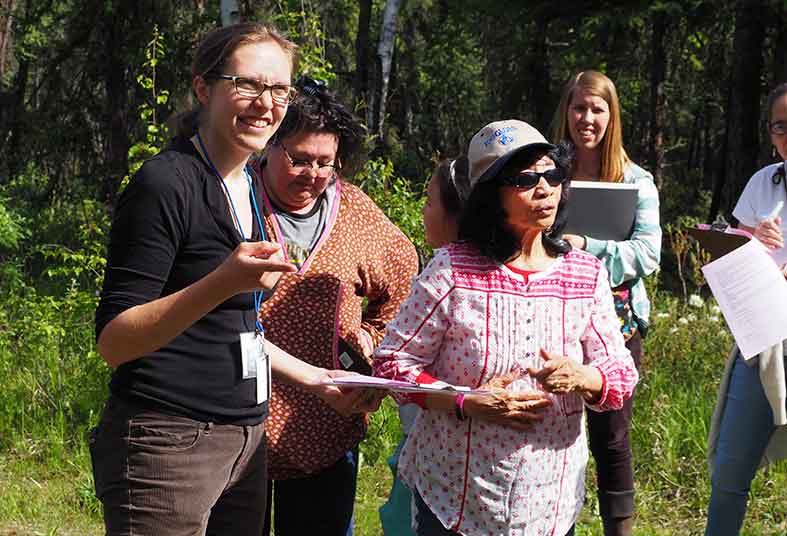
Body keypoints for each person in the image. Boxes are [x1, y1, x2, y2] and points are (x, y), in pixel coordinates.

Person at [90, 23, 378, 536]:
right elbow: (115, 342)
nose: (265, 103)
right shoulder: (165, 184)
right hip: (169, 439)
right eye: (247, 84)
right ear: (203, 88)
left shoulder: (245, 180)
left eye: (279, 89)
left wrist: (316, 379)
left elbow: (232, 329)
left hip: (244, 439)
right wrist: (224, 282)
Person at [373, 119, 639, 536]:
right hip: (454, 500)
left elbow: (620, 375)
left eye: (553, 174)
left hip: (549, 503)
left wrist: (583, 377)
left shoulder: (585, 274)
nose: (545, 188)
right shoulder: (452, 271)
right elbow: (391, 365)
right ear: (491, 197)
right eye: (525, 179)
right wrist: (466, 400)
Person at [252, 77, 419, 536]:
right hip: (237, 426)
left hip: (326, 427)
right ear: (269, 145)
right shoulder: (235, 199)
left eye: (325, 162)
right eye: (299, 159)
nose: (312, 174)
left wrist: (373, 336)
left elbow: (405, 278)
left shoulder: (354, 212)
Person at [552, 70, 662, 536]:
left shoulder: (637, 181)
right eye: (579, 107)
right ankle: (554, 520)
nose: (587, 118)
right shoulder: (549, 173)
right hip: (552, 317)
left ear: (611, 116)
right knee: (551, 428)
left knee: (611, 437)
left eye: (597, 109)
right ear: (566, 112)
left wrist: (587, 246)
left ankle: (619, 528)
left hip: (616, 325)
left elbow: (648, 255)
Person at [704, 82, 787, 536]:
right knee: (729, 474)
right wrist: (752, 241)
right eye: (781, 127)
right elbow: (731, 259)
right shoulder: (763, 182)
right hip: (763, 343)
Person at [379, 156, 471, 536]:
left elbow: (394, 359)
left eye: (430, 202)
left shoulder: (445, 274)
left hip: (435, 453)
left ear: (456, 215)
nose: (423, 212)